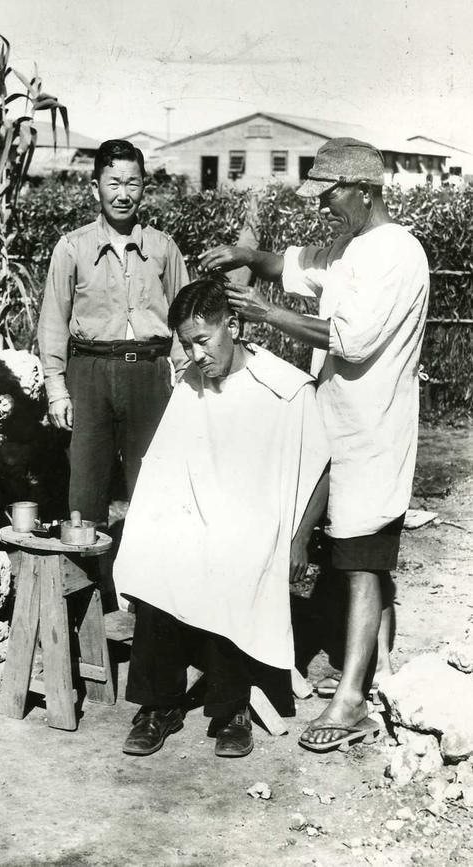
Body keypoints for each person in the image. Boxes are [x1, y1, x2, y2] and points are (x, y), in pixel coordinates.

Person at [199, 137, 430, 752]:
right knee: (353, 554)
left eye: (331, 194)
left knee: (362, 559)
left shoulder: (397, 253)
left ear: (363, 190)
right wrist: (244, 254)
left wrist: (265, 314)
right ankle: (374, 671)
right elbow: (292, 266)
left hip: (374, 426)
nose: (324, 204)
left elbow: (350, 341)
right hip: (338, 421)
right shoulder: (351, 245)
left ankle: (351, 700)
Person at [114, 276, 329, 758]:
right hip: (197, 519)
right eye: (187, 345)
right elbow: (167, 464)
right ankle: (158, 705)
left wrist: (300, 539)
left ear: (232, 324)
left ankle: (231, 710)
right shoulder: (190, 384)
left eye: (203, 341)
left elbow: (320, 468)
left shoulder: (285, 388)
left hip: (254, 528)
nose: (195, 356)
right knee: (156, 561)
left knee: (233, 563)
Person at [38, 139, 188, 525]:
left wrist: (185, 377)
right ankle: (86, 581)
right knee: (86, 488)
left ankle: (146, 581)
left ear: (144, 188)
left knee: (155, 483)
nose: (123, 195)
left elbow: (185, 318)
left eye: (132, 184)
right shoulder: (72, 248)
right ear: (96, 187)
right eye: (114, 183)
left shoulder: (163, 248)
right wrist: (56, 389)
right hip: (89, 374)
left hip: (150, 375)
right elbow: (53, 320)